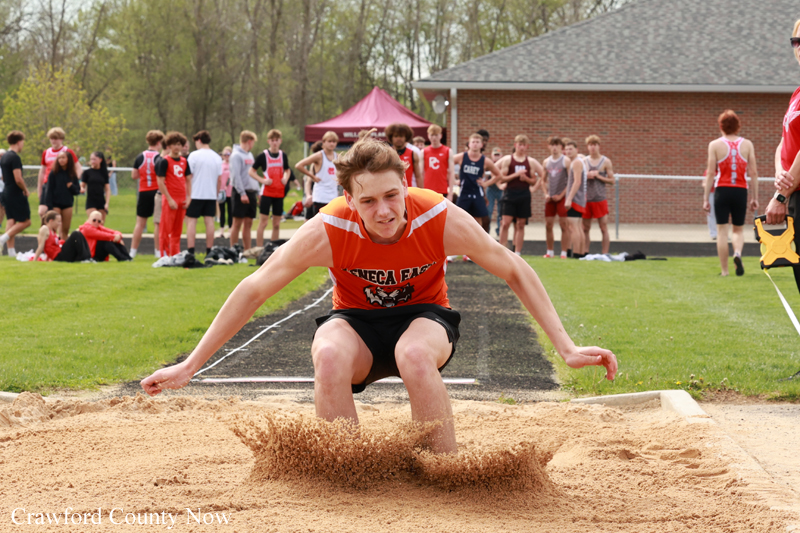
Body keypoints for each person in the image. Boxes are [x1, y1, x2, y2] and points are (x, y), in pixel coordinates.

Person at [140, 137, 617, 455]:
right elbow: (253, 287)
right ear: (348, 199)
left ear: (405, 182)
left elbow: (514, 268)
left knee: (412, 354)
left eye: (391, 196)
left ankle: (444, 468)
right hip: (356, 323)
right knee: (327, 357)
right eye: (367, 201)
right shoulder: (328, 228)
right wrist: (190, 365)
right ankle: (347, 470)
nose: (384, 212)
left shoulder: (439, 217)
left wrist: (567, 347)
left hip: (425, 319)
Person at [703, 110, 758, 277]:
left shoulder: (714, 145)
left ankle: (725, 271)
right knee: (738, 230)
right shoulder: (747, 144)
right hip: (740, 191)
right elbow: (753, 173)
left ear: (721, 126)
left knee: (721, 231)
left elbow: (711, 173)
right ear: (737, 126)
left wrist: (706, 199)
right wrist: (755, 197)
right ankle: (738, 253)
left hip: (722, 191)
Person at [767, 21, 800, 292]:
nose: (798, 47)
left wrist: (781, 195)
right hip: (794, 191)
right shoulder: (797, 94)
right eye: (795, 41)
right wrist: (780, 176)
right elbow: (783, 142)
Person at [497, 134, 544, 255]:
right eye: (519, 145)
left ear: (527, 146)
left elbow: (539, 177)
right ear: (515, 145)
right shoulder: (508, 160)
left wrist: (528, 181)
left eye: (524, 145)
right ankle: (502, 250)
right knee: (505, 223)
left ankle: (517, 252)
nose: (522, 147)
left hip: (524, 194)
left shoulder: (531, 162)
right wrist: (515, 175)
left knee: (521, 224)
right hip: (510, 194)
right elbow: (501, 178)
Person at [453, 133, 501, 242]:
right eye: (473, 142)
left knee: (477, 220)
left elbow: (498, 175)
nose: (475, 144)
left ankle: (475, 245)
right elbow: (446, 164)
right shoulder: (462, 157)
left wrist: (486, 184)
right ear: (469, 144)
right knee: (459, 220)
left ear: (481, 145)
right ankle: (458, 246)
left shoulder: (485, 160)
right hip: (464, 193)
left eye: (477, 142)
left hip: (477, 193)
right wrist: (453, 180)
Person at [154, 132, 193, 260]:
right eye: (174, 144)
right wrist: (169, 199)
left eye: (179, 144)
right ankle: (163, 255)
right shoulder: (164, 161)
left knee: (178, 229)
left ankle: (175, 254)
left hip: (182, 198)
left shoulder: (184, 161)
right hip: (170, 198)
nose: (177, 147)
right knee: (165, 229)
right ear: (169, 146)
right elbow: (160, 181)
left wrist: (188, 197)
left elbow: (188, 180)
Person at [250, 129, 290, 246]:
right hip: (267, 193)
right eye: (272, 140)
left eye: (276, 140)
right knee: (263, 223)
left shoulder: (283, 155)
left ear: (280, 141)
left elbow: (287, 170)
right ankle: (259, 248)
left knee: (277, 224)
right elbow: (251, 172)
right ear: (268, 141)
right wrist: (262, 180)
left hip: (279, 193)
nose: (274, 143)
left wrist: (285, 178)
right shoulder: (263, 156)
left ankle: (273, 249)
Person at [186, 130, 222, 255]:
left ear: (199, 140)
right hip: (210, 194)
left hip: (196, 193)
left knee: (191, 221)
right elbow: (219, 179)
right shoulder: (217, 157)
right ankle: (209, 251)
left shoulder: (194, 156)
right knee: (209, 221)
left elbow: (188, 176)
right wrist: (216, 194)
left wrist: (188, 194)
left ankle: (191, 250)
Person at [131, 130, 165, 258]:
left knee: (140, 223)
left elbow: (134, 175)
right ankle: (158, 251)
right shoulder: (159, 157)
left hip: (144, 191)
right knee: (157, 223)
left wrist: (144, 174)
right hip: (157, 192)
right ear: (158, 142)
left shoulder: (140, 157)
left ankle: (132, 252)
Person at [37, 128, 81, 220]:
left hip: (62, 185)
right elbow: (42, 171)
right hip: (48, 184)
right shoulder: (46, 152)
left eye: (56, 138)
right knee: (42, 211)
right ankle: (46, 232)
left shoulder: (67, 151)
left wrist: (74, 181)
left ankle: (57, 232)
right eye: (51, 138)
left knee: (58, 215)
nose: (53, 141)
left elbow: (78, 168)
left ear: (61, 139)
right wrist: (40, 187)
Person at [582, 135, 615, 255]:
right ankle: (585, 252)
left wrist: (598, 176)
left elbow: (612, 181)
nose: (592, 147)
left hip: (600, 199)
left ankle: (605, 253)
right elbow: (577, 179)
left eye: (594, 145)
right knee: (585, 228)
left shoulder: (605, 161)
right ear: (587, 146)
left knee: (603, 227)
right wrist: (586, 176)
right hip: (587, 199)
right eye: (590, 145)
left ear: (598, 146)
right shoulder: (584, 161)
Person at [0, 131, 31, 256]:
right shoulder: (14, 157)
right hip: (15, 192)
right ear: (19, 142)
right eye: (23, 142)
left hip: (6, 191)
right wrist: (25, 189)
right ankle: (2, 238)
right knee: (26, 221)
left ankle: (11, 252)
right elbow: (18, 178)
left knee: (11, 220)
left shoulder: (5, 156)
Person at [296, 131, 339, 217]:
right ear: (324, 142)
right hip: (320, 196)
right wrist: (312, 176)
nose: (332, 144)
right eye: (329, 141)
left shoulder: (338, 157)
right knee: (320, 223)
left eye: (334, 142)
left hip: (333, 196)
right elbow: (299, 165)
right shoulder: (319, 156)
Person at [542, 137, 571, 258]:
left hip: (561, 197)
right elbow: (543, 180)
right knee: (548, 225)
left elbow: (570, 181)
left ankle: (564, 252)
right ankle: (550, 251)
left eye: (557, 145)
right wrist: (546, 194)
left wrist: (561, 195)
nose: (554, 148)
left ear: (561, 147)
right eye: (552, 145)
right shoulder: (546, 162)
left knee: (563, 224)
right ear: (549, 147)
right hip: (551, 198)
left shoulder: (566, 161)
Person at [229, 131, 258, 250]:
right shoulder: (236, 155)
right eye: (253, 143)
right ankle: (233, 249)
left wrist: (257, 191)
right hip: (241, 193)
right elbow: (236, 176)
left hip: (251, 192)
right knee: (237, 223)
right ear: (249, 141)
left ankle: (247, 250)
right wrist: (242, 193)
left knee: (248, 223)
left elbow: (253, 174)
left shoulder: (249, 155)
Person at [44, 150, 80, 239]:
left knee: (65, 229)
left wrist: (71, 186)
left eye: (63, 158)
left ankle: (64, 247)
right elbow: (49, 190)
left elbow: (77, 191)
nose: (61, 160)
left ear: (68, 159)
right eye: (59, 158)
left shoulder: (72, 174)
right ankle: (54, 247)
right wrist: (49, 206)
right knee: (55, 228)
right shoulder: (53, 173)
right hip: (56, 204)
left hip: (67, 204)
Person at [563, 139, 587, 258]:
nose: (568, 151)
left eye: (571, 149)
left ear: (577, 150)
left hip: (576, 199)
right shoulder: (578, 161)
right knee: (578, 226)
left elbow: (577, 182)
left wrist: (569, 199)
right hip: (580, 199)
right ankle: (581, 253)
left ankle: (577, 254)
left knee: (573, 227)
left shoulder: (577, 162)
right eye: (566, 149)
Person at [422, 124, 454, 202]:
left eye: (436, 135)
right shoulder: (423, 152)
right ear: (428, 136)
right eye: (432, 135)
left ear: (440, 136)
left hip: (442, 188)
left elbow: (451, 172)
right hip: (427, 189)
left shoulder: (448, 151)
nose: (434, 138)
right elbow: (421, 173)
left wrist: (451, 192)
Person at [385, 123, 423, 188]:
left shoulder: (413, 154)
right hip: (391, 189)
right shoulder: (386, 153)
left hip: (408, 190)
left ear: (406, 137)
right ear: (391, 137)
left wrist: (421, 191)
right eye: (396, 136)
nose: (399, 139)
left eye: (401, 136)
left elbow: (418, 176)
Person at [80, 152, 111, 222]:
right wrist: (82, 188)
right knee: (93, 223)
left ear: (100, 160)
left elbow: (107, 189)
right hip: (91, 201)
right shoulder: (87, 172)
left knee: (100, 226)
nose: (92, 161)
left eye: (94, 159)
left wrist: (107, 203)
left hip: (101, 202)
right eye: (91, 159)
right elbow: (82, 185)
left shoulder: (104, 173)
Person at [302, 141, 322, 220]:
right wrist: (308, 195)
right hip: (315, 196)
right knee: (308, 220)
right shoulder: (313, 165)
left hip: (325, 196)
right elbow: (308, 182)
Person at [218, 146, 232, 237]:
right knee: (221, 212)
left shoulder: (233, 165)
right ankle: (222, 230)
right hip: (222, 192)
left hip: (230, 192)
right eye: (225, 154)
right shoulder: (220, 165)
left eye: (228, 154)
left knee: (230, 211)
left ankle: (230, 230)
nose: (226, 156)